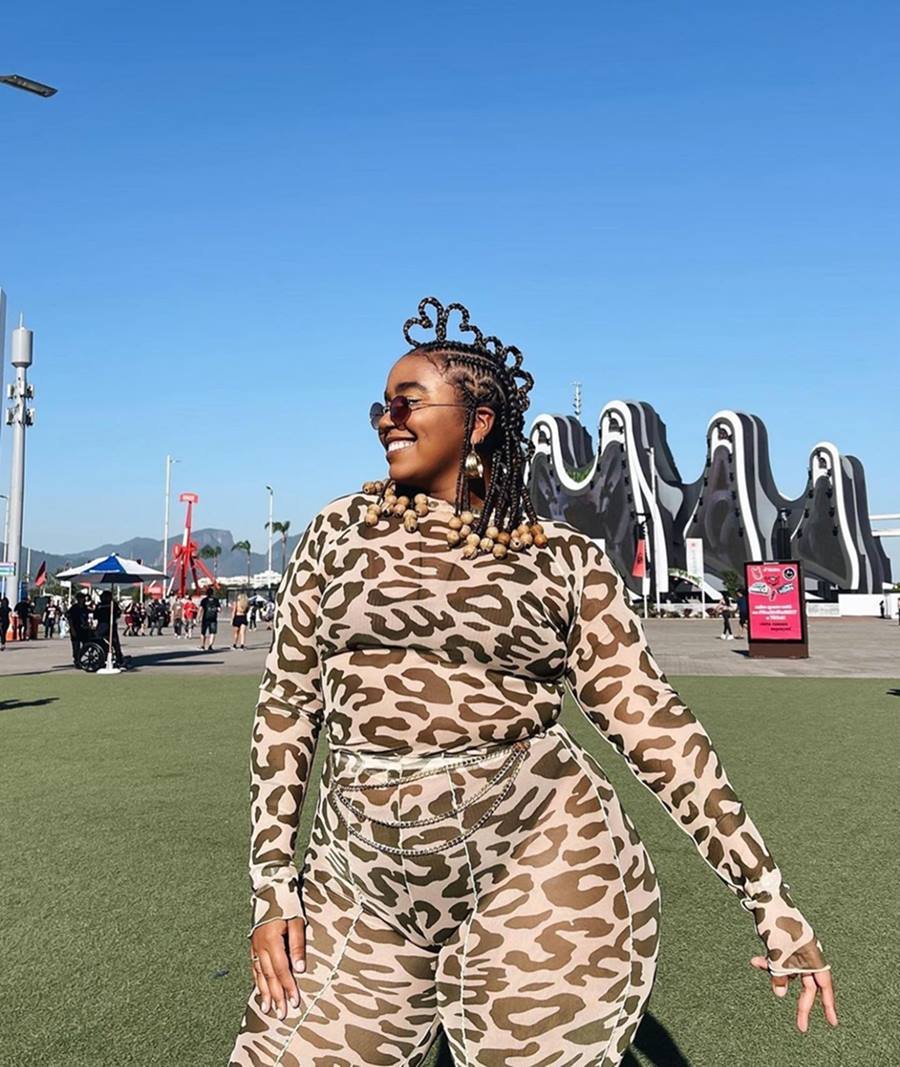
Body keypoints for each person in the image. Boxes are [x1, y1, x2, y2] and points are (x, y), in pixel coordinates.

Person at [230, 298, 836, 1066]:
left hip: (538, 869)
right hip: (358, 879)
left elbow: (654, 725)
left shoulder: (563, 559)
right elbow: (286, 708)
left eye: (407, 401)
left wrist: (770, 902)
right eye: (380, 405)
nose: (387, 419)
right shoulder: (337, 532)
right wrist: (273, 887)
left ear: (477, 421)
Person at [94, 590, 124, 666]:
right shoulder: (111, 604)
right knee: (114, 643)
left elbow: (95, 616)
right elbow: (118, 614)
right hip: (105, 625)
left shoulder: (111, 605)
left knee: (114, 643)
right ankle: (117, 658)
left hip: (106, 625)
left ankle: (118, 658)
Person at [66, 593, 90, 665]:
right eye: (81, 598)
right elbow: (70, 619)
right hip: (75, 628)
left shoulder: (85, 607)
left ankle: (79, 656)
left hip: (84, 629)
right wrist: (72, 629)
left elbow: (87, 617)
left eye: (83, 598)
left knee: (86, 644)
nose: (82, 600)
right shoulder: (74, 608)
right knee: (76, 646)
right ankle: (76, 659)